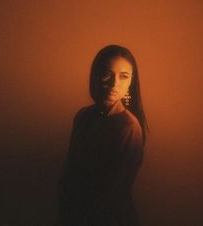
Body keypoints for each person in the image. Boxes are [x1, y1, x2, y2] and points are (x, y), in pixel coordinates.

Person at [58, 44, 148, 226]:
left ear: (131, 82)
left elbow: (115, 191)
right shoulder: (83, 116)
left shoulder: (129, 127)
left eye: (124, 77)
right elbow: (70, 171)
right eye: (108, 74)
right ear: (95, 75)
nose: (114, 84)